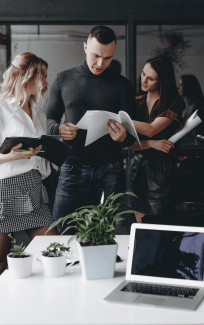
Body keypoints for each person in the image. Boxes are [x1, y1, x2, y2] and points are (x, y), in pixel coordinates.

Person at [0, 52, 58, 289]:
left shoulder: (38, 113)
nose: (47, 84)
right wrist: (9, 156)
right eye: (43, 77)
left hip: (32, 186)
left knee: (54, 250)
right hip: (3, 190)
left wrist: (50, 152)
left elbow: (39, 155)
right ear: (25, 77)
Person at [45, 26, 137, 234]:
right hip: (71, 168)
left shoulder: (123, 86)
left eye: (107, 58)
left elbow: (131, 137)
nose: (100, 64)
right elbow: (47, 120)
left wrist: (124, 136)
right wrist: (58, 128)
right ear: (85, 47)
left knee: (102, 233)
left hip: (110, 169)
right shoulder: (63, 79)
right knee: (64, 231)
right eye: (96, 56)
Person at [109, 56, 185, 223]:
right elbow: (128, 145)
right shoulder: (137, 101)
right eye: (143, 74)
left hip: (161, 169)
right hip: (138, 165)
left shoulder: (174, 102)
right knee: (140, 221)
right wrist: (151, 144)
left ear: (162, 81)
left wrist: (117, 118)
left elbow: (151, 130)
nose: (144, 80)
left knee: (159, 222)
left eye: (151, 78)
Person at [178, 74, 204, 144]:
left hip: (198, 148)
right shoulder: (188, 107)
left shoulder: (196, 108)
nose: (178, 88)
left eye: (181, 85)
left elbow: (193, 133)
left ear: (188, 87)